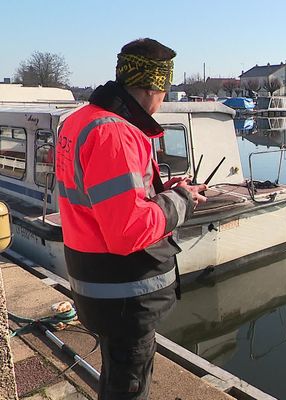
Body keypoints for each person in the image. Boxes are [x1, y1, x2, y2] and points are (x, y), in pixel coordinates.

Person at [55, 38, 205, 399]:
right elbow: (128, 231)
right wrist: (182, 199)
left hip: (97, 286)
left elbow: (103, 200)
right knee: (128, 386)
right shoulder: (116, 134)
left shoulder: (82, 122)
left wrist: (161, 190)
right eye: (165, 90)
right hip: (125, 294)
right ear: (155, 87)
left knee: (117, 376)